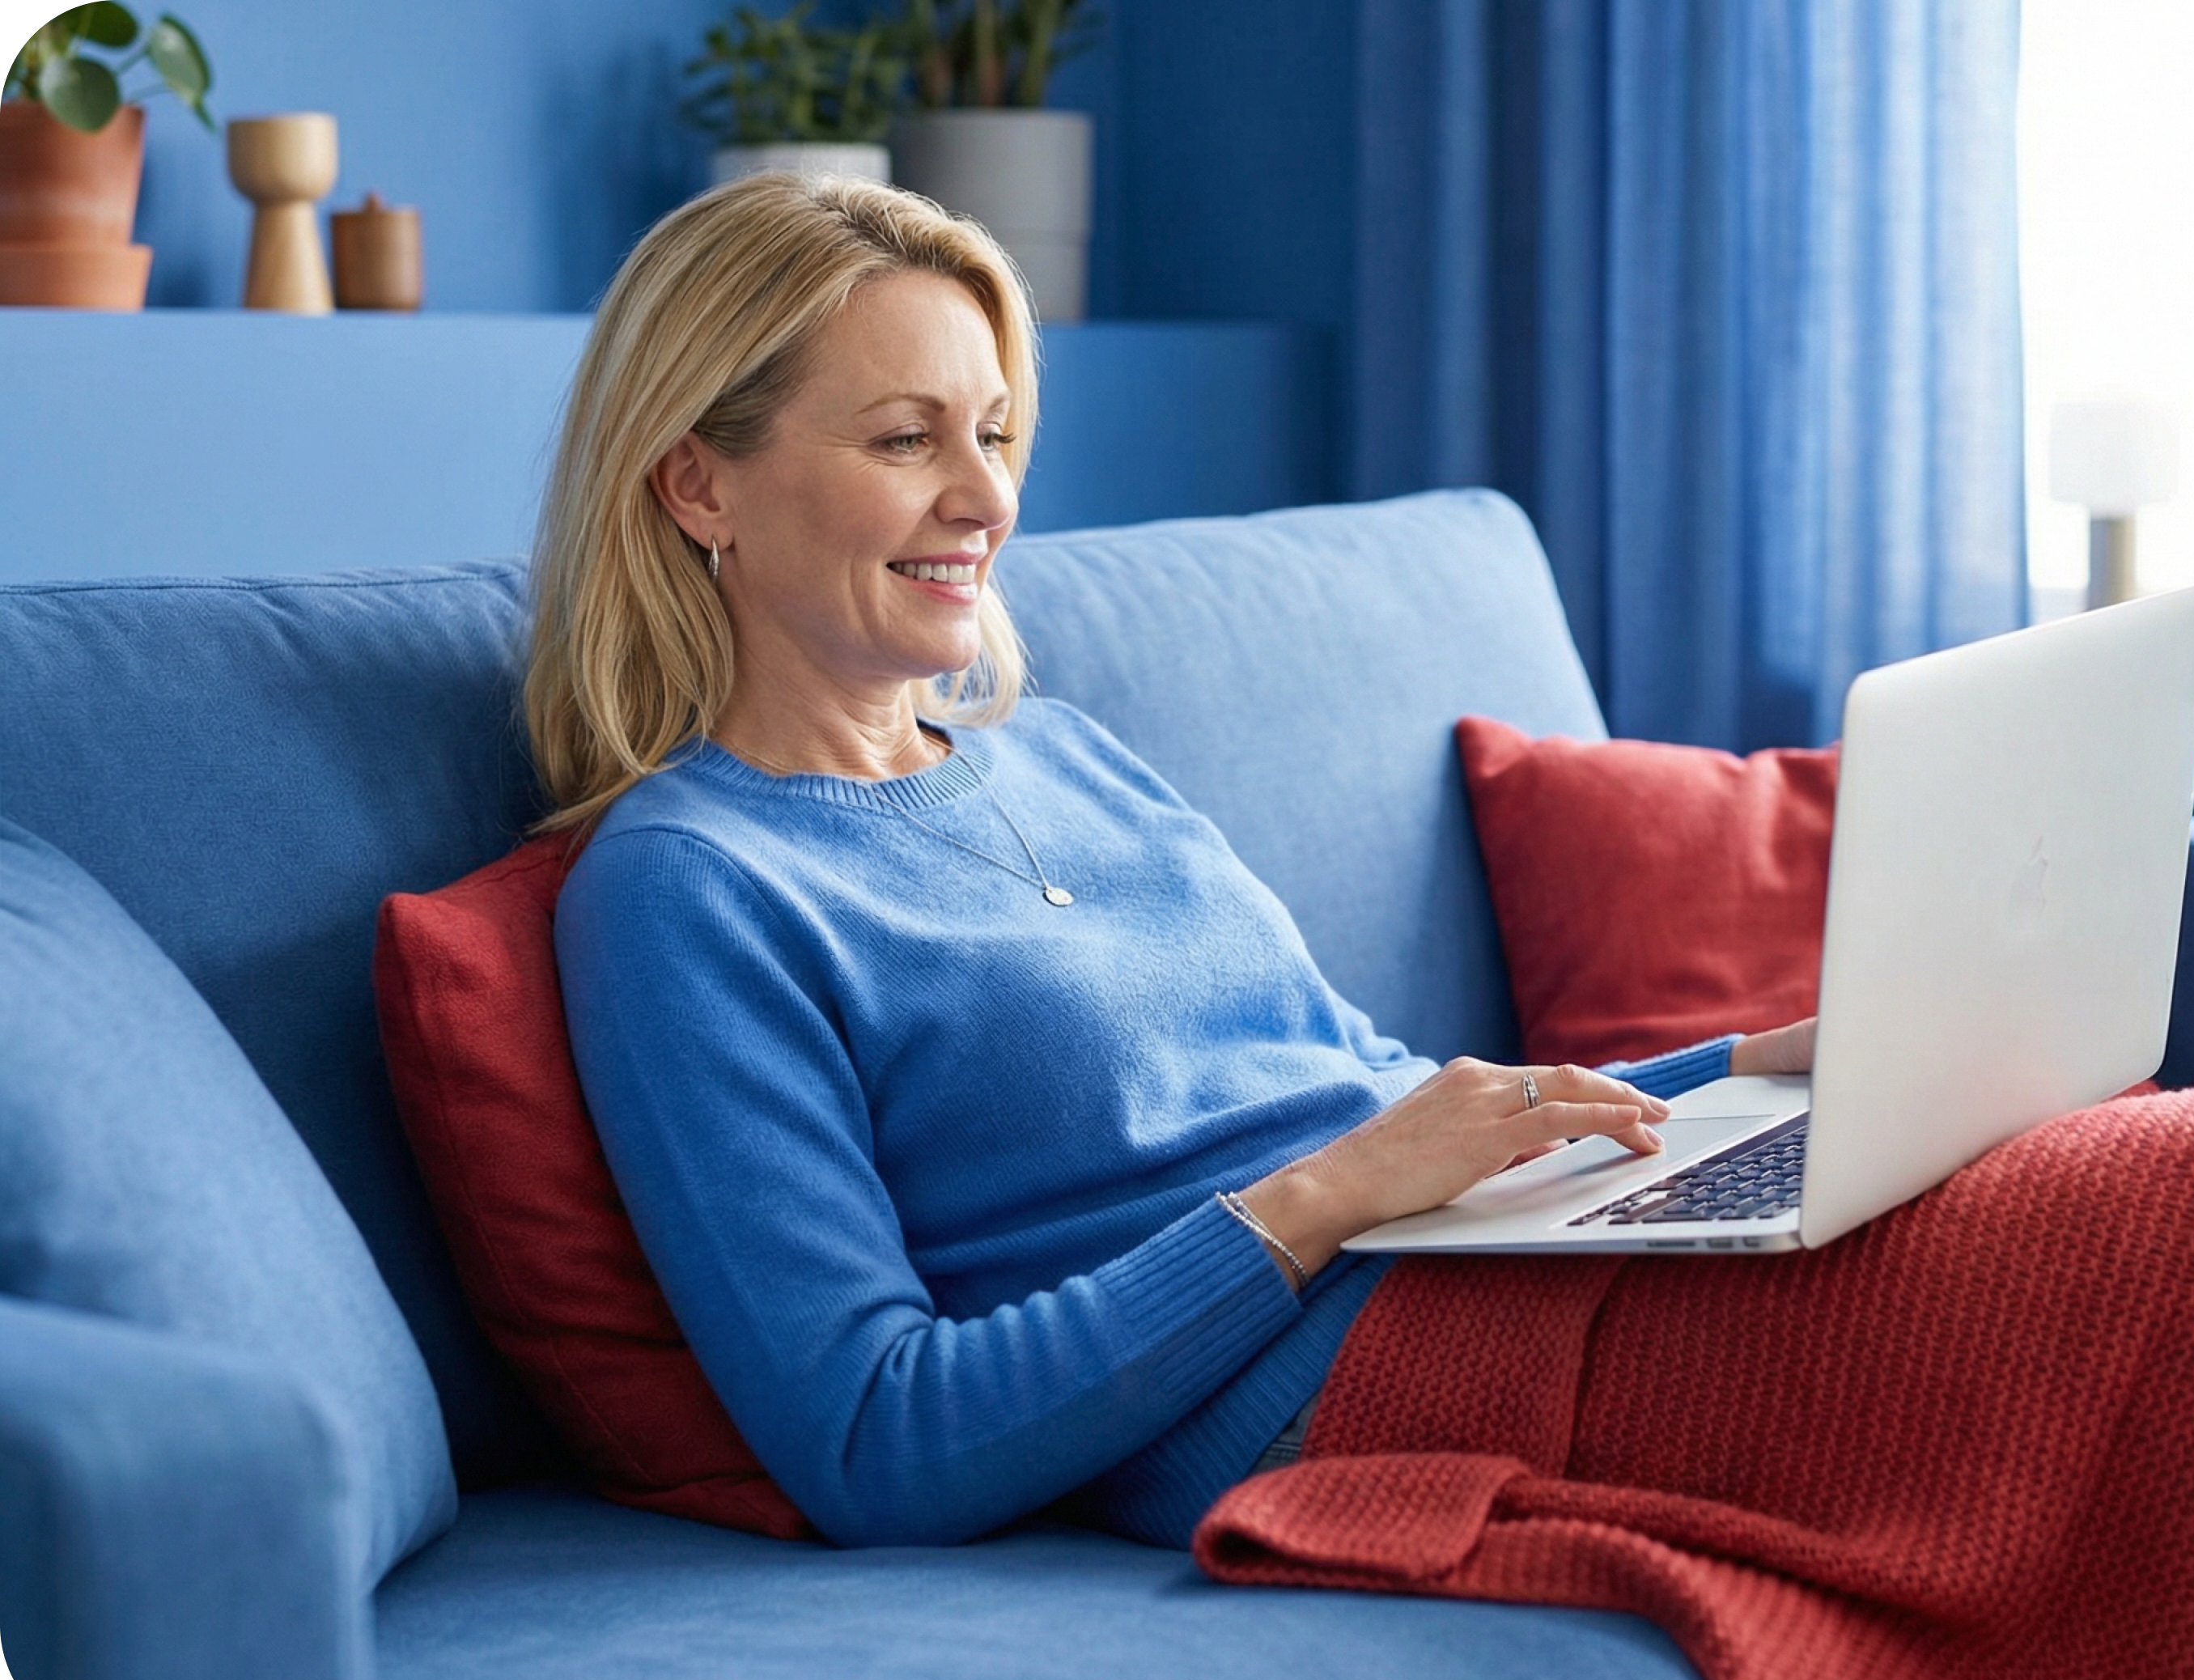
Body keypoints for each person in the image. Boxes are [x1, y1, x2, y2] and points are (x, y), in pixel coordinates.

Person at [535, 172, 1819, 1551]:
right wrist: (1323, 1200)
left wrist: (1747, 1070)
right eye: (908, 440)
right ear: (697, 484)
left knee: (2029, 1166)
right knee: (2067, 1273)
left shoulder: (1067, 753)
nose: (986, 498)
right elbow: (877, 1441)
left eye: (996, 432)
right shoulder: (688, 889)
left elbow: (1395, 1108)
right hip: (1337, 1384)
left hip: (1493, 1262)